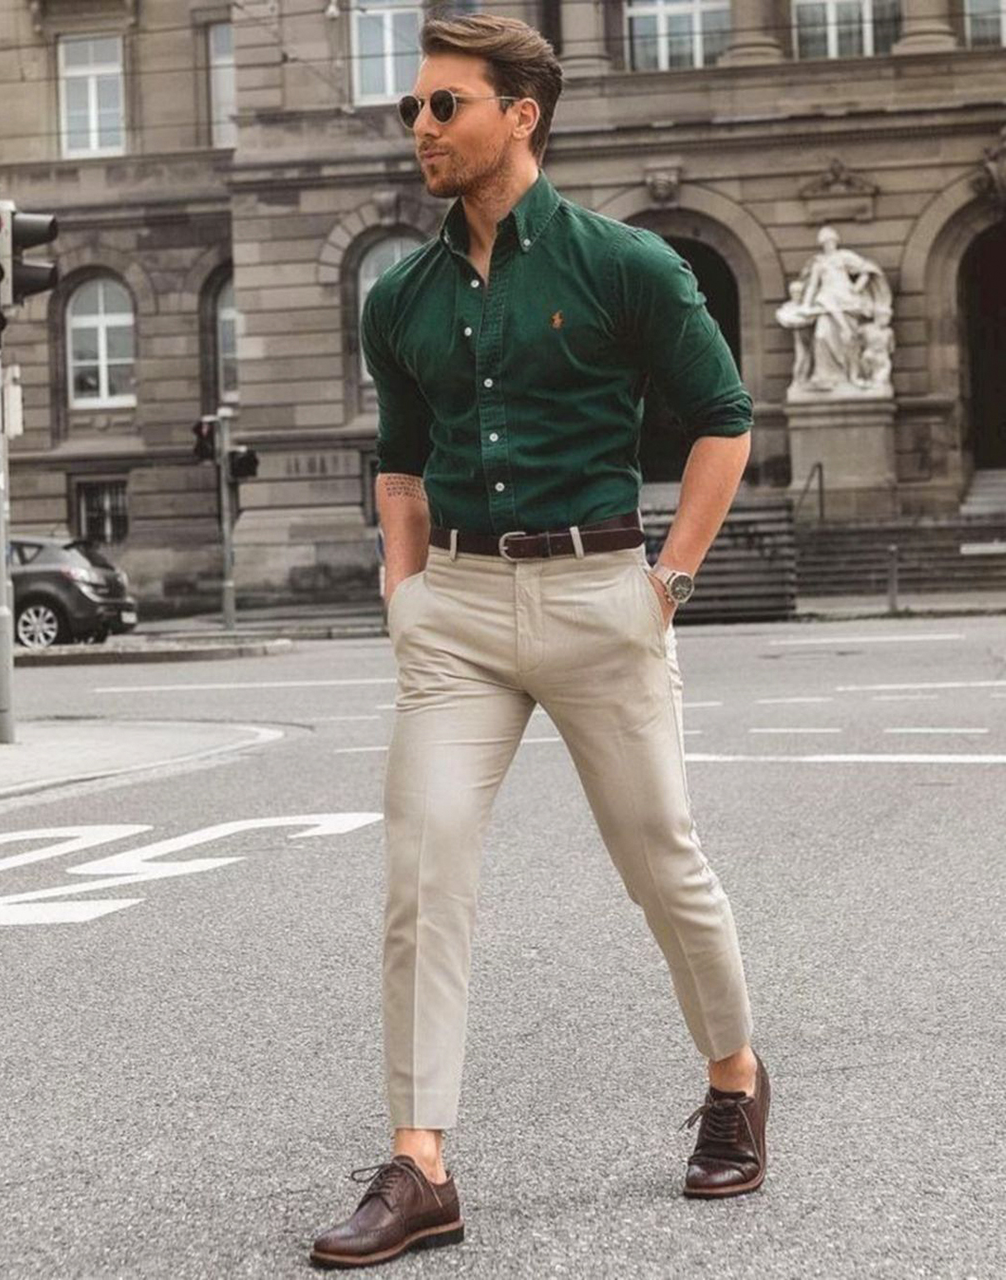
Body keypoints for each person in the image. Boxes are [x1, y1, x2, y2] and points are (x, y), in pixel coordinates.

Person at [310, 13, 770, 1270]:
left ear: (521, 114)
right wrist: (406, 599)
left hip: (600, 595)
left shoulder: (627, 265)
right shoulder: (398, 296)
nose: (420, 127)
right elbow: (400, 468)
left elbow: (723, 421)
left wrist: (665, 582)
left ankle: (734, 1076)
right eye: (415, 108)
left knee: (659, 858)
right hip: (454, 610)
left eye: (444, 106)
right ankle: (422, 1163)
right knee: (423, 871)